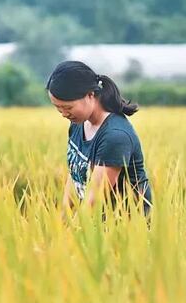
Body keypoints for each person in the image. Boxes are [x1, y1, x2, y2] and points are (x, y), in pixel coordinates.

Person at [46, 61, 152, 214]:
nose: (64, 114)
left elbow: (94, 200)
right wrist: (63, 220)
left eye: (68, 107)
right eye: (58, 108)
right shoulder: (78, 123)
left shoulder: (115, 136)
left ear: (90, 95)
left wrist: (70, 233)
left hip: (127, 227)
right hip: (97, 223)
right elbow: (75, 175)